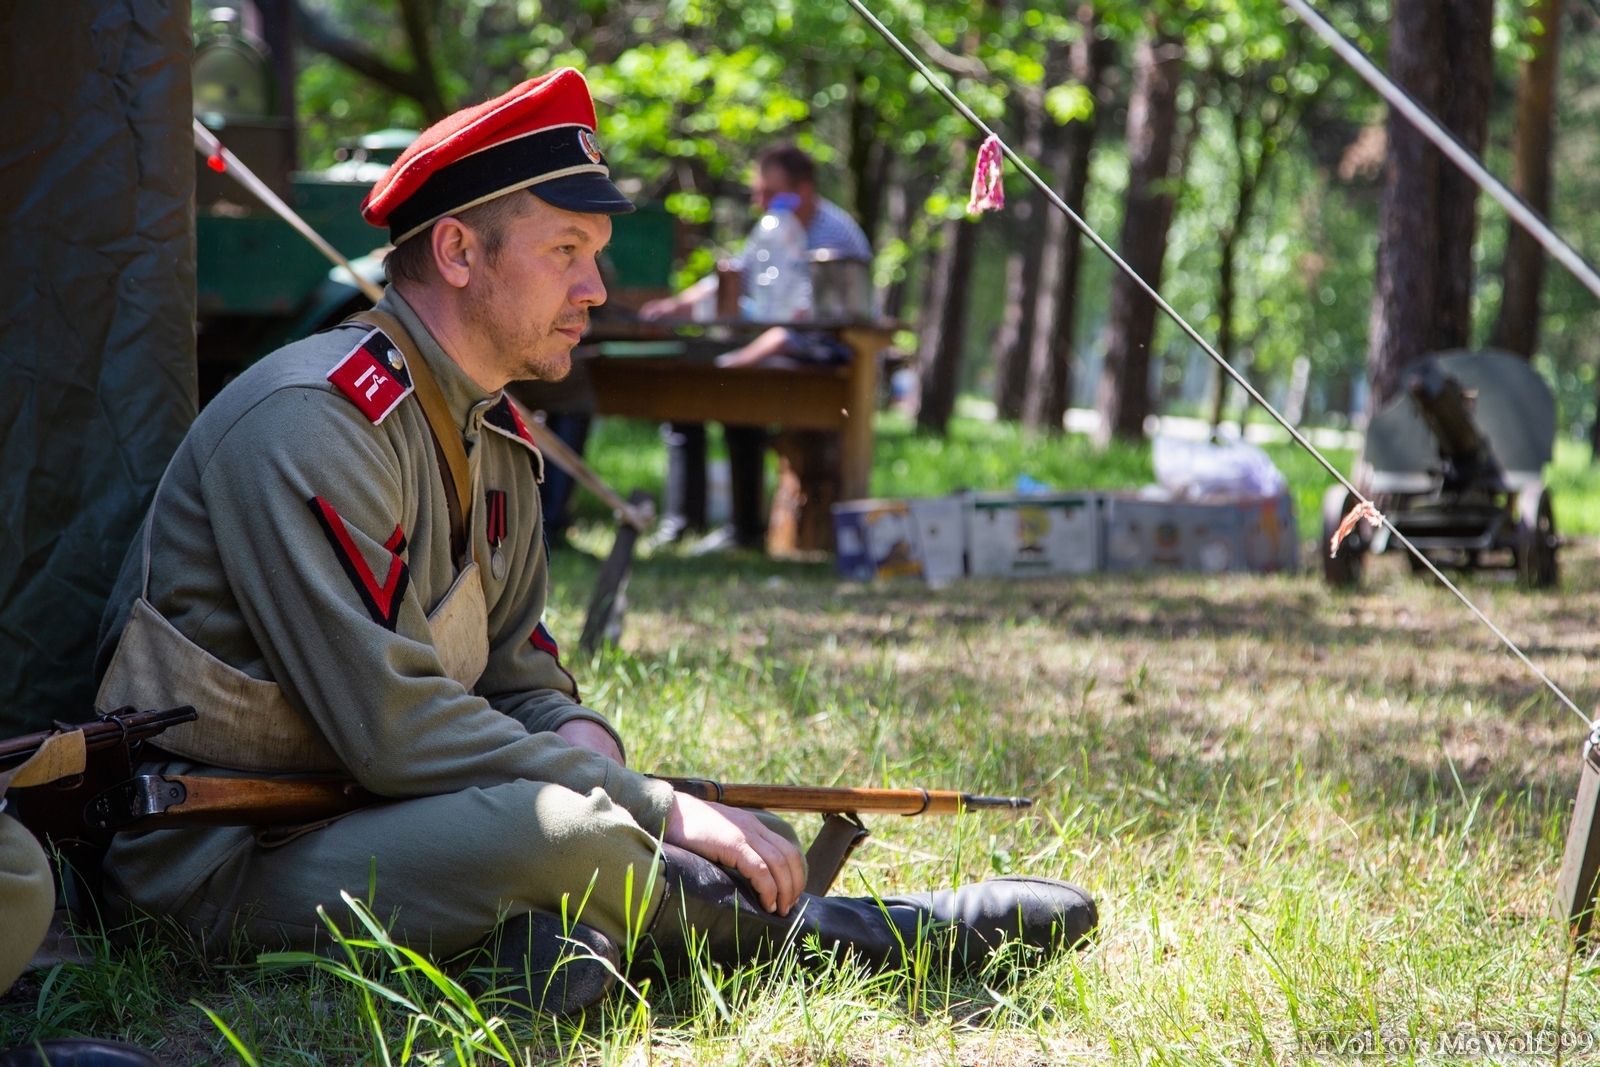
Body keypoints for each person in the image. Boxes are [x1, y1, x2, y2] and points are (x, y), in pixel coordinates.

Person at [92, 70, 1096, 1013]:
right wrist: (649, 805)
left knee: (712, 834)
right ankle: (864, 936)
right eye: (565, 251)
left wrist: (596, 753)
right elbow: (395, 726)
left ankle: (544, 952)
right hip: (216, 862)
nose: (597, 289)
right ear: (456, 252)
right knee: (583, 836)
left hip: (359, 818)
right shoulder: (315, 422)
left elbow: (519, 677)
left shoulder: (492, 436)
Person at [640, 144, 874, 548]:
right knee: (693, 393)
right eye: (757, 192)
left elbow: (803, 324)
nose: (758, 202)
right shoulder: (771, 227)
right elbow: (740, 275)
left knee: (729, 384)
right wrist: (676, 306)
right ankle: (685, 521)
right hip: (780, 342)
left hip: (828, 356)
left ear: (803, 189)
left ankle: (746, 527)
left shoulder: (832, 235)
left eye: (768, 192)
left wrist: (734, 362)